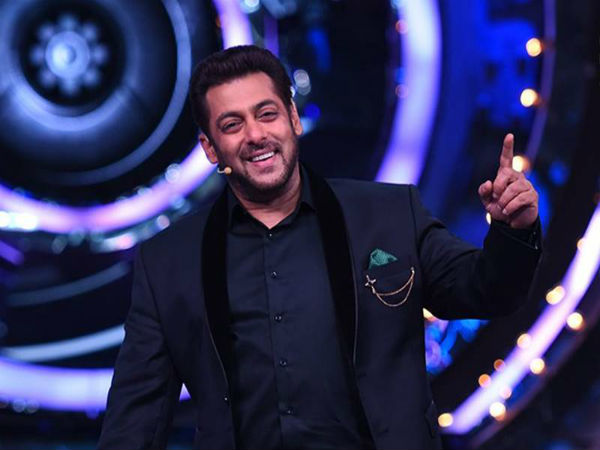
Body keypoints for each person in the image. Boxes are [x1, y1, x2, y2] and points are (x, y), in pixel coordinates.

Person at [98, 45, 541, 450]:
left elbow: (489, 290)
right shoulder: (169, 262)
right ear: (211, 149)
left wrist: (513, 230)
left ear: (293, 118)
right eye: (232, 125)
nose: (255, 135)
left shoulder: (389, 215)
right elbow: (135, 421)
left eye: (266, 114)